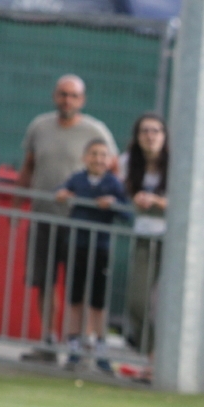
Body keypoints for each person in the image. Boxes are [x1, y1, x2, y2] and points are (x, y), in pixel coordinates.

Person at [17, 75, 118, 363]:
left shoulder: (96, 130)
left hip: (79, 224)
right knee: (44, 281)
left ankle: (79, 346)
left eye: (73, 95)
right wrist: (16, 204)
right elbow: (28, 167)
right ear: (54, 96)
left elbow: (112, 170)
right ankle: (48, 341)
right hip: (44, 217)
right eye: (63, 94)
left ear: (82, 100)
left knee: (80, 286)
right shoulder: (39, 126)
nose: (67, 100)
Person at [54, 139, 129, 372]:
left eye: (103, 155)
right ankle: (74, 345)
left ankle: (100, 346)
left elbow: (127, 212)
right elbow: (61, 191)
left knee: (98, 300)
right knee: (75, 297)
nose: (98, 159)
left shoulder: (113, 183)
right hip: (77, 245)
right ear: (85, 157)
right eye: (93, 154)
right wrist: (62, 194)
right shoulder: (77, 179)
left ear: (110, 160)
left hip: (100, 247)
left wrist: (114, 204)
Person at [120, 113, 168, 352]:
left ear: (164, 136)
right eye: (145, 131)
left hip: (172, 241)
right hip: (144, 239)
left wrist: (158, 202)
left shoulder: (177, 162)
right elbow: (117, 188)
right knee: (137, 302)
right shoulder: (128, 162)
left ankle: (163, 358)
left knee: (166, 304)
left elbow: (190, 201)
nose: (150, 136)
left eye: (155, 131)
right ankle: (152, 353)